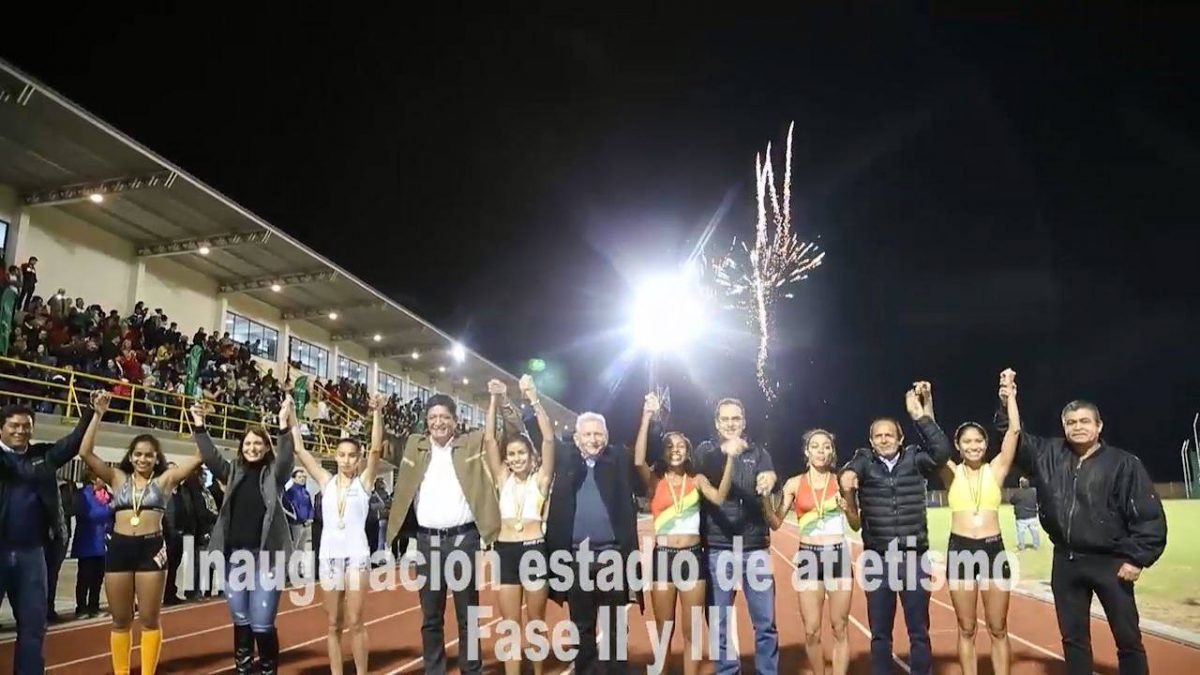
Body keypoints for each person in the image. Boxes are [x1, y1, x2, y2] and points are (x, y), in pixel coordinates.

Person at [993, 368, 1167, 675]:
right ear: (1063, 426)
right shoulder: (1047, 454)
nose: (1077, 427)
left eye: (1085, 421)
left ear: (1099, 426)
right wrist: (1008, 397)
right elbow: (1012, 435)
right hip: (1066, 562)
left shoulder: (1124, 464)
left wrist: (1138, 558)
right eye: (1071, 422)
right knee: (1073, 639)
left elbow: (1149, 515)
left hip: (1111, 563)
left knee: (1127, 638)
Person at [383, 386, 525, 674]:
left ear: (455, 420)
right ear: (426, 421)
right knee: (430, 615)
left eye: (445, 417)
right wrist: (376, 411)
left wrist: (502, 401)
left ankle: (471, 669)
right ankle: (433, 669)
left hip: (464, 540)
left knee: (468, 615)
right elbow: (379, 448)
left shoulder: (472, 443)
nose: (439, 422)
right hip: (427, 542)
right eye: (433, 417)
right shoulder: (415, 445)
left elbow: (511, 432)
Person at [77, 391, 204, 675]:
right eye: (138, 454)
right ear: (131, 457)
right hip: (120, 549)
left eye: (149, 455)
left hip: (151, 549)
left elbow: (199, 456)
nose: (143, 459)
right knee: (120, 620)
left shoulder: (165, 481)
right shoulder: (116, 478)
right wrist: (97, 415)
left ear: (156, 457)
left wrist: (198, 422)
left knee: (149, 619)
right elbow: (85, 452)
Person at [839, 382, 952, 675]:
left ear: (900, 438)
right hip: (877, 558)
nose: (884, 439)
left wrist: (919, 415)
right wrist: (848, 476)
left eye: (889, 434)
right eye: (878, 435)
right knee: (879, 632)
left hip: (915, 558)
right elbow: (849, 470)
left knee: (918, 631)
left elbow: (941, 451)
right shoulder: (865, 460)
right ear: (871, 440)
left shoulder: (915, 458)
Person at [193, 396, 296, 675]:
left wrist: (284, 426)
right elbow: (211, 458)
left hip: (266, 561)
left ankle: (267, 670)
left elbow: (287, 458)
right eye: (248, 444)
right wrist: (199, 425)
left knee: (261, 622)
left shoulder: (274, 474)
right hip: (234, 559)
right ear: (242, 448)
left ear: (266, 448)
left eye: (258, 444)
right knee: (240, 619)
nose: (252, 448)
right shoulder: (233, 471)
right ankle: (243, 668)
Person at [634, 392, 733, 675]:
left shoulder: (697, 480)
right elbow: (639, 458)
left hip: (692, 557)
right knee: (664, 633)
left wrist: (730, 462)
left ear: (687, 451)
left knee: (692, 634)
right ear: (663, 452)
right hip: (663, 558)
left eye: (680, 446)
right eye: (669, 446)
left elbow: (719, 497)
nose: (675, 450)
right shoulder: (654, 481)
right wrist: (646, 416)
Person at [0, 394, 97, 674]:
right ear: (2, 429)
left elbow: (73, 443)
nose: (20, 431)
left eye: (26, 426)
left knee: (33, 626)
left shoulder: (43, 456)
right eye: (14, 426)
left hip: (34, 554)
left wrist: (92, 411)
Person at [287, 393, 383, 675]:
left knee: (355, 620)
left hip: (356, 557)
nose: (346, 460)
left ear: (358, 458)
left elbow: (376, 449)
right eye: (341, 455)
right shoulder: (325, 482)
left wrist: (377, 413)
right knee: (332, 623)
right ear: (335, 456)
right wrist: (292, 415)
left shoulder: (364, 483)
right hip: (329, 557)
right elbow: (300, 450)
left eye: (352, 456)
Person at [544, 409, 642, 674]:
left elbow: (644, 451)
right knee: (581, 624)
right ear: (576, 438)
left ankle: (616, 670)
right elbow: (543, 437)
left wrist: (649, 417)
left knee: (615, 625)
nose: (593, 439)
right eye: (587, 433)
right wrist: (530, 400)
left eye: (598, 433)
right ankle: (585, 669)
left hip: (612, 557)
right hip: (577, 560)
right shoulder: (565, 459)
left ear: (607, 436)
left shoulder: (618, 459)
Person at [936, 379, 1020, 675]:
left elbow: (1014, 431)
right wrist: (927, 403)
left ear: (986, 445)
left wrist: (1009, 395)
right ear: (958, 446)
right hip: (960, 551)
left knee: (998, 628)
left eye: (978, 441)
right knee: (966, 628)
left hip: (992, 550)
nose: (973, 446)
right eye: (967, 441)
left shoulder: (996, 469)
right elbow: (934, 440)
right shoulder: (950, 472)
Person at [696, 397, 779, 675]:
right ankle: (727, 671)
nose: (731, 423)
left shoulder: (759, 452)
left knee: (765, 621)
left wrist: (770, 480)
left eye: (736, 418)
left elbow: (768, 476)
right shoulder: (706, 452)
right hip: (719, 545)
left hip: (755, 547)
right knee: (718, 619)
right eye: (725, 419)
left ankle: (767, 671)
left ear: (744, 422)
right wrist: (729, 454)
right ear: (717, 423)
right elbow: (715, 494)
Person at [762, 429, 853, 675]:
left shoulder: (842, 481)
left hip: (838, 555)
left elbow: (856, 524)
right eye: (815, 446)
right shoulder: (794, 483)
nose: (821, 451)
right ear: (807, 451)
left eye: (826, 446)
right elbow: (776, 522)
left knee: (840, 627)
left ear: (832, 451)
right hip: (809, 557)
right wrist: (763, 499)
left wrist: (849, 508)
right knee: (812, 630)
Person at [482, 375, 556, 675]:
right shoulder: (503, 478)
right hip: (506, 552)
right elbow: (489, 440)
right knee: (509, 625)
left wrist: (534, 399)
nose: (515, 458)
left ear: (531, 455)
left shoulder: (541, 480)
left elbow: (549, 439)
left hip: (534, 550)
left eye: (521, 453)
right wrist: (494, 400)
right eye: (511, 454)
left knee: (535, 623)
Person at [73, 472, 113, 619]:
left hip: (103, 542)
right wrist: (110, 508)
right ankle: (81, 608)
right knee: (85, 576)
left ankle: (94, 606)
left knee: (98, 577)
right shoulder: (84, 494)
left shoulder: (107, 495)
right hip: (88, 541)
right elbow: (91, 514)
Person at [1011, 477, 1039, 551]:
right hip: (1032, 516)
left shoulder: (1018, 493)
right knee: (1034, 531)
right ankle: (1036, 545)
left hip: (1021, 517)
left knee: (1020, 533)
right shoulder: (1034, 491)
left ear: (1021, 484)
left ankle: (1022, 546)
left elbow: (1012, 501)